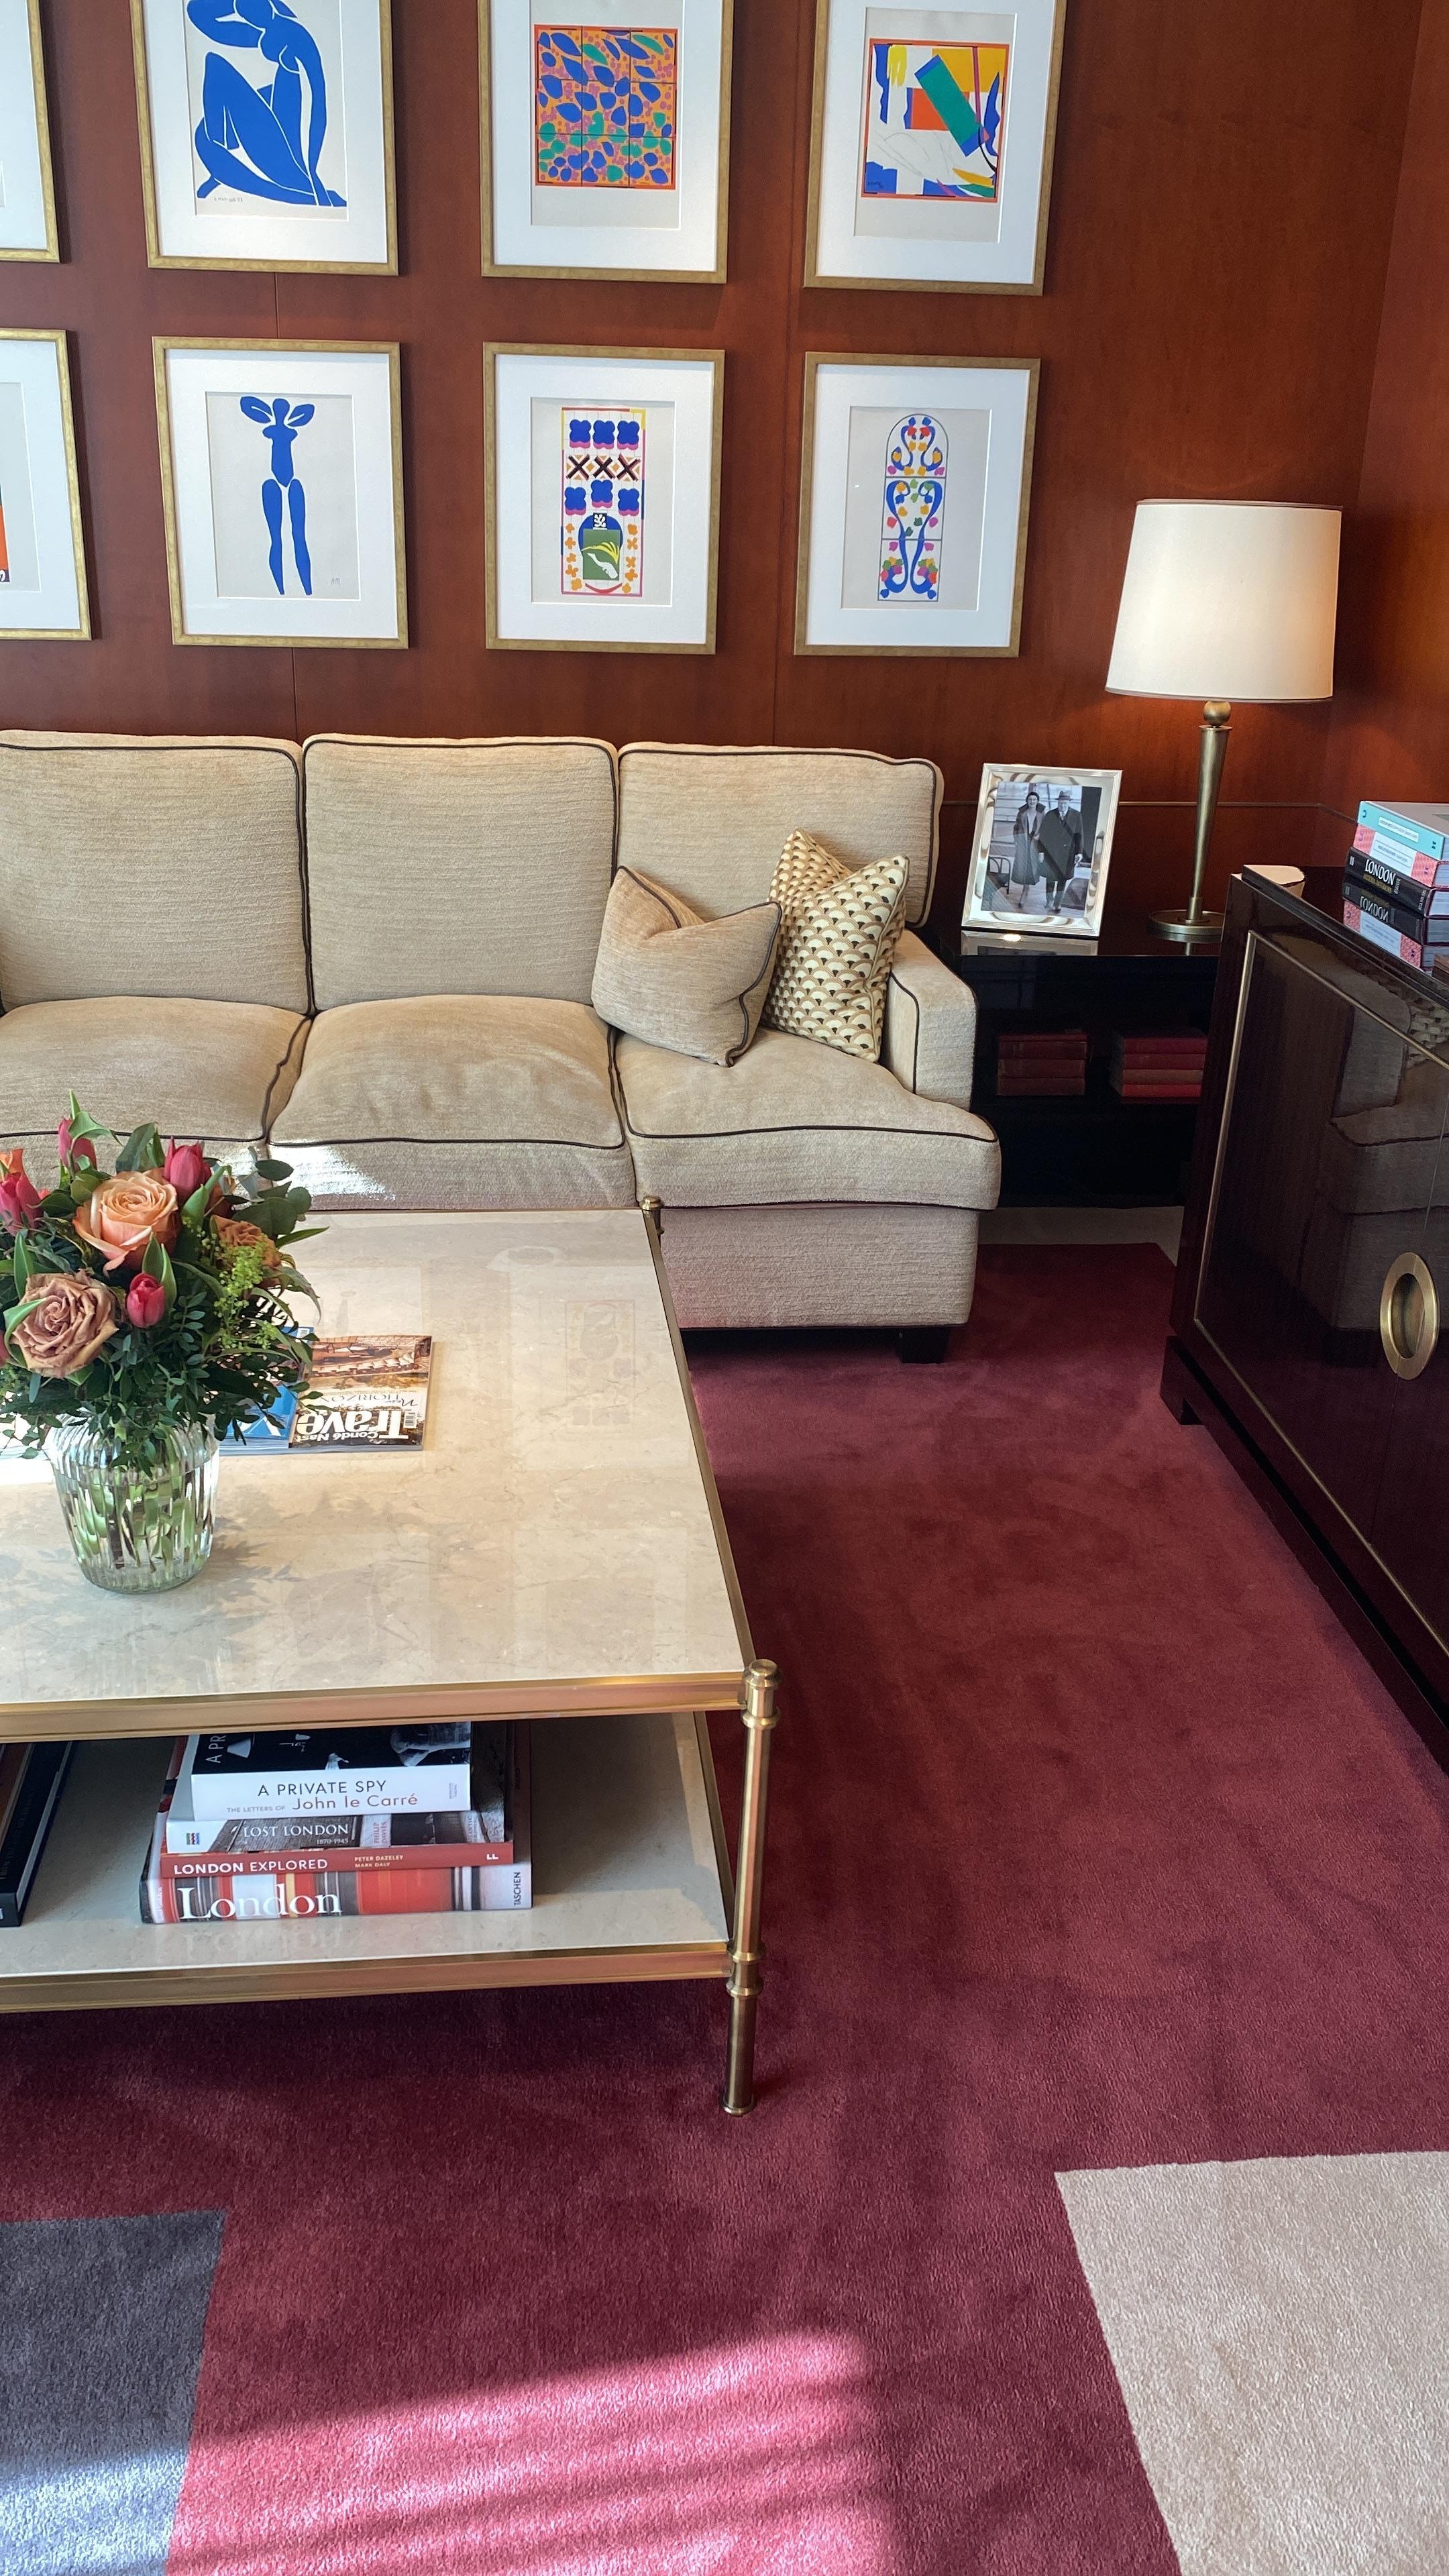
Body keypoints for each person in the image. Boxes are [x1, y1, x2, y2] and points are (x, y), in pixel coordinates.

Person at [1037, 786, 1085, 914]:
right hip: (1051, 853)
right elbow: (1043, 835)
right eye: (1060, 803)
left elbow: (1079, 835)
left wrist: (1079, 852)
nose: (1062, 806)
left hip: (1067, 854)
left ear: (1069, 803)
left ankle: (1057, 904)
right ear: (1058, 803)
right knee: (1050, 878)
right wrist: (1041, 852)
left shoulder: (1076, 815)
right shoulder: (1050, 815)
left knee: (1062, 879)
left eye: (1065, 803)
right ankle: (1049, 901)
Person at [1008, 787, 1044, 908]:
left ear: (1037, 801)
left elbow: (1046, 828)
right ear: (1027, 801)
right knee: (1023, 866)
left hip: (1035, 844)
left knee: (1032, 866)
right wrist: (1016, 841)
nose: (1032, 802)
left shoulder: (1042, 814)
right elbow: (1016, 827)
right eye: (1030, 800)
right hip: (1023, 843)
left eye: (1034, 800)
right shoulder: (1022, 813)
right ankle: (1025, 888)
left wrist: (1040, 835)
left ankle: (1026, 889)